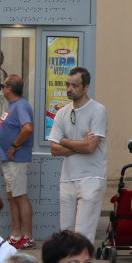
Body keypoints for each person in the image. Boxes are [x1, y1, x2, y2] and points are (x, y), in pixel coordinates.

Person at [48, 67, 107, 243]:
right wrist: (80, 144)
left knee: (83, 236)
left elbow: (90, 147)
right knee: (66, 235)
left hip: (91, 178)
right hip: (67, 179)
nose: (69, 89)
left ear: (86, 87)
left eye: (74, 85)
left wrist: (64, 140)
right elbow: (53, 149)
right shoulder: (62, 112)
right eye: (67, 84)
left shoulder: (98, 110)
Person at [0, 75, 35, 248]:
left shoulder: (20, 106)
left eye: (3, 86)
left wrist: (14, 146)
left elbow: (27, 128)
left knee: (20, 196)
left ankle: (28, 236)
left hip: (17, 159)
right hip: (9, 159)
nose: (2, 89)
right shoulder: (13, 106)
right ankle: (16, 234)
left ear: (9, 88)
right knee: (13, 196)